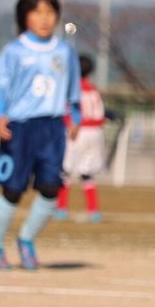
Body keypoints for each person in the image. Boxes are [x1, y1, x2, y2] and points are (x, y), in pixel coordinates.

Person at [0, 0, 80, 270]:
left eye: (50, 12)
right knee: (12, 190)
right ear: (24, 16)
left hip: (51, 129)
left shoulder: (64, 51)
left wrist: (75, 117)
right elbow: (0, 89)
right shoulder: (13, 51)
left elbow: (72, 92)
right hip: (19, 128)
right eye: (37, 11)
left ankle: (26, 239)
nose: (44, 18)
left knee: (51, 189)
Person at [56, 54, 116, 223]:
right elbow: (100, 114)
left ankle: (61, 209)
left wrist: (68, 125)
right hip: (96, 133)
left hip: (78, 131)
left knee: (65, 170)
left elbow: (67, 110)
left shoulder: (73, 89)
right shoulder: (94, 90)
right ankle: (93, 211)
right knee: (87, 173)